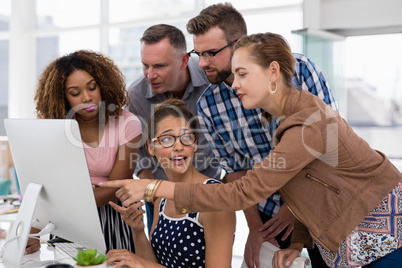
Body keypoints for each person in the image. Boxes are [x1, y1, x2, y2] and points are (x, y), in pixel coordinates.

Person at [100, 32, 402, 268]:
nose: (235, 85)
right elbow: (307, 186)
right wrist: (298, 241)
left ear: (272, 72)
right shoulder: (287, 119)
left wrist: (153, 186)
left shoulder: (308, 124)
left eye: (243, 74)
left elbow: (243, 192)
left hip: (383, 236)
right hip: (350, 242)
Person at [185, 2, 336, 267]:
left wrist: (293, 209)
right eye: (198, 54)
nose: (203, 63)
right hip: (269, 219)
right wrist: (255, 228)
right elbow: (235, 170)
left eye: (211, 53)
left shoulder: (298, 70)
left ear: (239, 43)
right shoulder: (208, 105)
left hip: (322, 201)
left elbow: (328, 146)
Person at [26, 50, 142, 253]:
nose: (87, 97)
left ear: (103, 85)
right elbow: (48, 180)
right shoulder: (58, 125)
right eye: (75, 93)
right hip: (67, 219)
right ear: (63, 97)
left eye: (92, 87)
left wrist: (65, 205)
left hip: (112, 213)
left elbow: (117, 186)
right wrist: (34, 229)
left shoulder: (127, 123)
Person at [106, 99, 236, 268]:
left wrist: (143, 264)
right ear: (151, 148)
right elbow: (154, 263)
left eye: (186, 137)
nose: (179, 146)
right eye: (167, 139)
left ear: (195, 144)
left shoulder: (214, 198)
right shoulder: (162, 197)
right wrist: (138, 231)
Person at [127, 24, 221, 234]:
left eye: (159, 66)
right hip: (161, 196)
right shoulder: (137, 96)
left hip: (208, 191)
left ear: (184, 61)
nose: (150, 75)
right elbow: (139, 149)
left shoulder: (212, 81)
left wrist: (220, 186)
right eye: (145, 65)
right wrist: (151, 188)